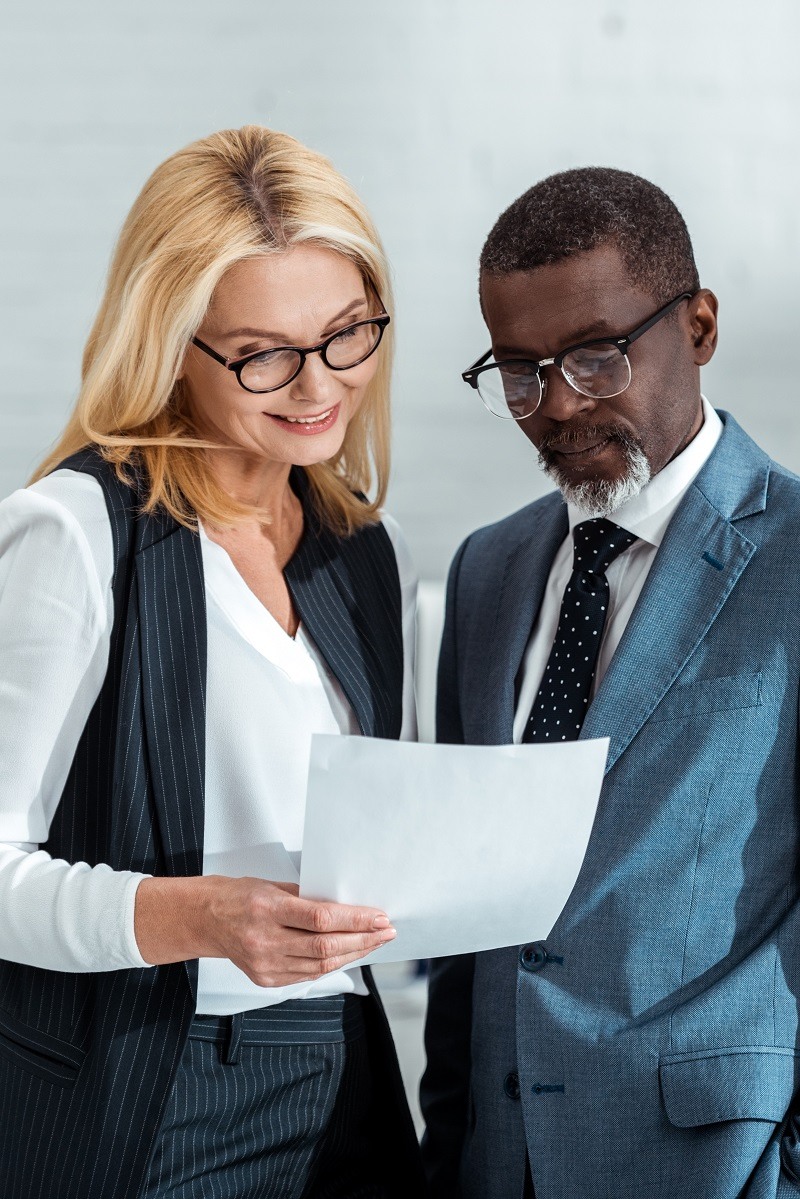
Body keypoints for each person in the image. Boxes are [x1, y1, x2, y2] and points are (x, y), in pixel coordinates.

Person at [0, 125, 426, 1199]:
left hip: (348, 1079)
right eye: (262, 352)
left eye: (345, 334)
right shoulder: (76, 534)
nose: (318, 384)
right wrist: (199, 917)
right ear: (170, 344)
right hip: (152, 1088)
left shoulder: (364, 552)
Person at [420, 166, 800, 1199]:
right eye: (518, 372)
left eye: (595, 355)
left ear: (700, 327)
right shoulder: (488, 571)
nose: (556, 405)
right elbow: (467, 922)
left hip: (715, 1165)